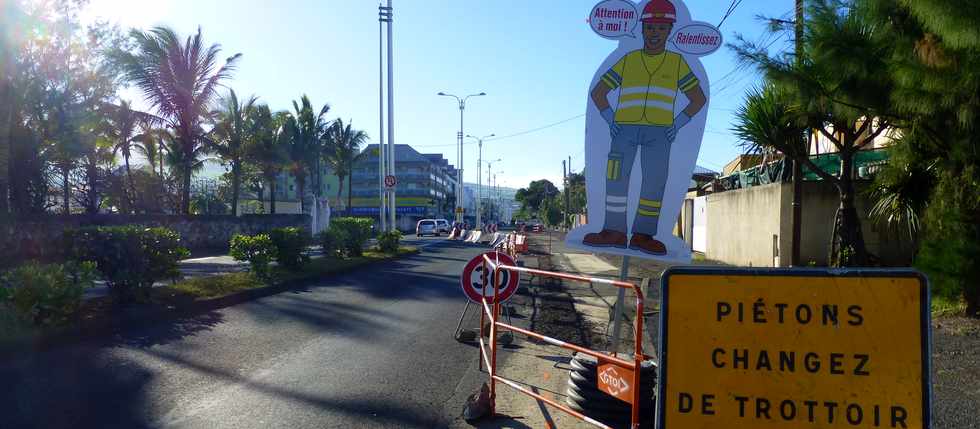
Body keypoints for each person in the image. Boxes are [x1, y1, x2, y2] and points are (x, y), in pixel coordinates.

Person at [583, 0, 706, 255]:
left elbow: (698, 98)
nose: (654, 33)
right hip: (624, 129)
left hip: (660, 132)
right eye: (650, 27)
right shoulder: (629, 60)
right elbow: (599, 92)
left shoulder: (677, 63)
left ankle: (643, 235)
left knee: (654, 182)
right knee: (616, 178)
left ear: (669, 31)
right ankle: (614, 232)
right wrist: (610, 118)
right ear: (642, 29)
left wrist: (677, 123)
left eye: (661, 28)